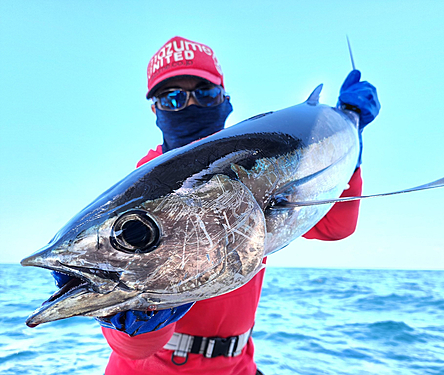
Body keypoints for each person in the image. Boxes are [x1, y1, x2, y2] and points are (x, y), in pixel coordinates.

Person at [96, 36, 380, 374]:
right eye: (172, 97)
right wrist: (133, 318)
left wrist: (349, 143)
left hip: (240, 364)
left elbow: (335, 228)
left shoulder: (265, 167)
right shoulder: (142, 199)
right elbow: (135, 348)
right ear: (155, 110)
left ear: (224, 99)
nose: (189, 105)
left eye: (204, 93)